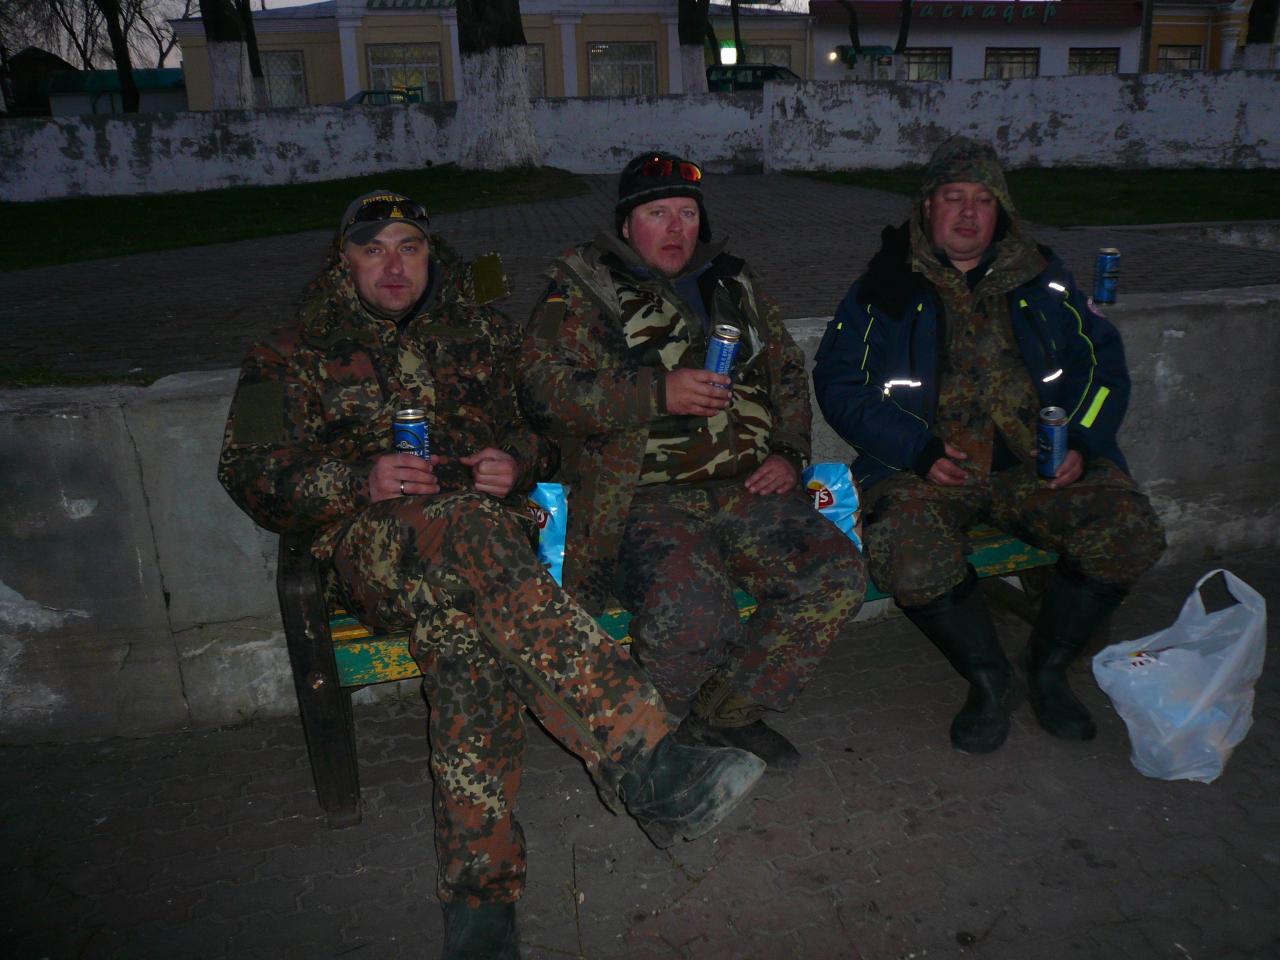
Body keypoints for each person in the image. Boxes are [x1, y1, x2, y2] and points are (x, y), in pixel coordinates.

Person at [217, 190, 765, 960]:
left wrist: (518, 463)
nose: (393, 266)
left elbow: (546, 432)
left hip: (489, 564)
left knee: (467, 648)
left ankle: (481, 902)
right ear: (344, 260)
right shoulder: (290, 349)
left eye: (408, 247)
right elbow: (247, 470)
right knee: (468, 530)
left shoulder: (482, 335)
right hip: (369, 550)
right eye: (373, 250)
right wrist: (357, 481)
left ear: (430, 255)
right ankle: (644, 753)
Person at [813, 136, 1166, 755]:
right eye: (954, 197)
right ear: (928, 206)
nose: (969, 213)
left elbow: (1104, 368)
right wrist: (917, 449)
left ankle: (1046, 668)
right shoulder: (884, 285)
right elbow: (839, 384)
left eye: (983, 199)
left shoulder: (1044, 278)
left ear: (1001, 210)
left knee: (1129, 527)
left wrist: (1081, 442)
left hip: (1037, 467)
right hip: (926, 470)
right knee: (904, 551)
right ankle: (989, 678)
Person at [519, 152, 867, 771]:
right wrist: (658, 393)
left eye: (687, 213)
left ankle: (724, 713)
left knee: (834, 572)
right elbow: (543, 394)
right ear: (626, 225)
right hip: (641, 497)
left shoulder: (731, 280)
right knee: (693, 612)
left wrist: (788, 453)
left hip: (746, 487)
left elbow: (786, 370)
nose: (676, 228)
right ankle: (655, 740)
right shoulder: (583, 287)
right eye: (657, 214)